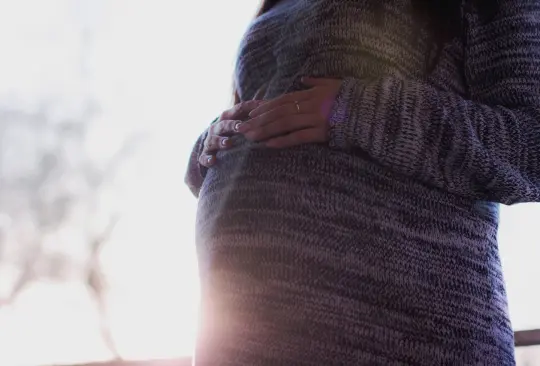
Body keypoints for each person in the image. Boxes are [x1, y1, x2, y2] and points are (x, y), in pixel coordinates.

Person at [185, 0, 540, 364]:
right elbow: (273, 107)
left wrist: (355, 110)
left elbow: (531, 146)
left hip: (407, 326)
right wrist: (211, 147)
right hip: (244, 318)